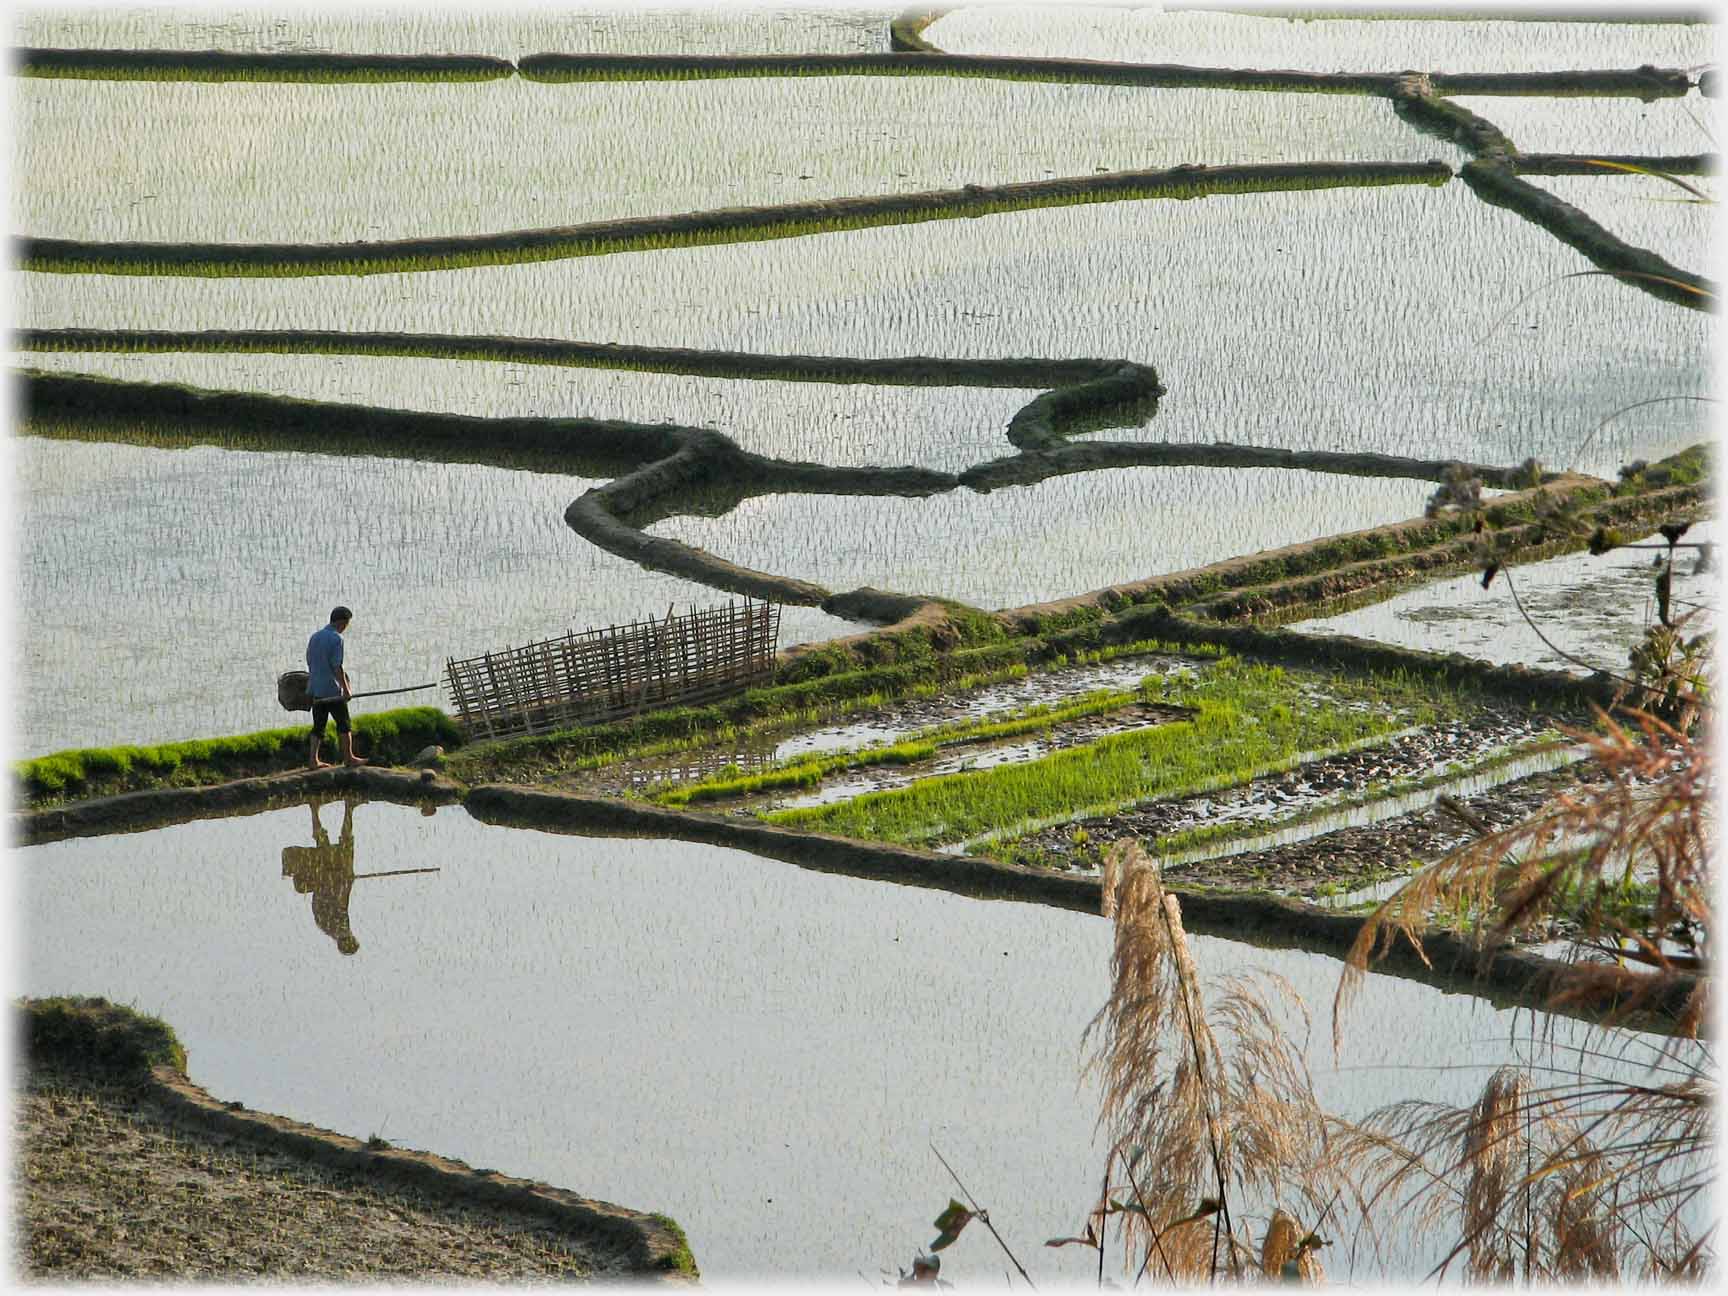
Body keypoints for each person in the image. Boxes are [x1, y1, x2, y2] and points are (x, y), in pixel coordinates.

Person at [282, 794, 360, 955]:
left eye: (353, 939)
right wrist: (345, 881)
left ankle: (347, 807)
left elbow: (339, 901)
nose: (353, 936)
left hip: (326, 879)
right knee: (329, 842)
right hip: (326, 880)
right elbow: (339, 901)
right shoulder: (330, 929)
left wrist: (345, 880)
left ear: (349, 941)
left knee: (343, 843)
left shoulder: (340, 929)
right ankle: (319, 808)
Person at [307, 605, 367, 769]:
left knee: (318, 726)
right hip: (332, 691)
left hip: (316, 689)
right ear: (342, 622)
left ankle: (313, 760)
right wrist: (346, 689)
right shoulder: (336, 639)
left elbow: (310, 661)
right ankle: (349, 758)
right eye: (347, 623)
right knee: (344, 724)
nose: (346, 627)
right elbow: (337, 667)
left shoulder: (315, 637)